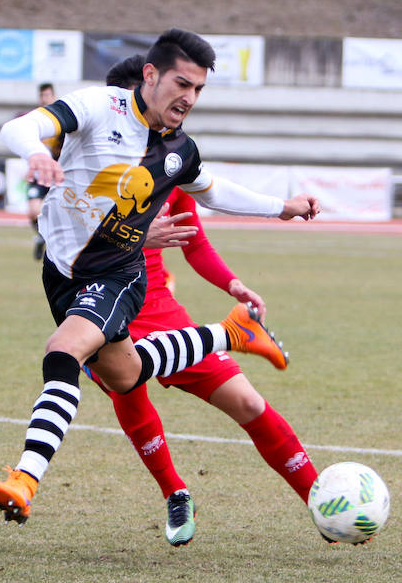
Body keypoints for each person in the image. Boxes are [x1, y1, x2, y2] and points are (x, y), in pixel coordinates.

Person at [0, 28, 321, 528]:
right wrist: (34, 151)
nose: (189, 97)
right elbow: (19, 127)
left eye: (198, 89)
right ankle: (230, 332)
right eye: (182, 84)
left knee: (62, 353)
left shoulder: (179, 150)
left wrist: (282, 209)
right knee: (126, 375)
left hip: (119, 276)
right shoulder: (100, 107)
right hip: (62, 276)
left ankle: (25, 477)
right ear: (150, 74)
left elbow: (212, 191)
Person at [87, 54, 319, 547]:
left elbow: (194, 236)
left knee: (248, 402)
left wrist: (233, 284)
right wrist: (127, 235)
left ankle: (321, 500)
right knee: (127, 390)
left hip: (162, 312)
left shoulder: (170, 161)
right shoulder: (86, 163)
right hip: (101, 308)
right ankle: (175, 492)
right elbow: (66, 234)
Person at [28, 82, 60, 260]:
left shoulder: (62, 118)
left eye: (48, 95)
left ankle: (54, 241)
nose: (45, 98)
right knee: (33, 211)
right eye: (42, 96)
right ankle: (41, 236)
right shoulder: (34, 119)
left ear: (53, 96)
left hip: (58, 173)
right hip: (39, 172)